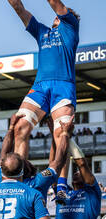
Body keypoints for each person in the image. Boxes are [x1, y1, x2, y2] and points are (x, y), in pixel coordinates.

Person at [6, 0, 79, 160]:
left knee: (62, 134)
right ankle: (20, 181)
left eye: (60, 15)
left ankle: (60, 184)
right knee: (20, 128)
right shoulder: (42, 32)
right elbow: (18, 8)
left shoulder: (71, 27)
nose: (56, 16)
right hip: (40, 87)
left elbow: (54, 2)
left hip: (63, 87)